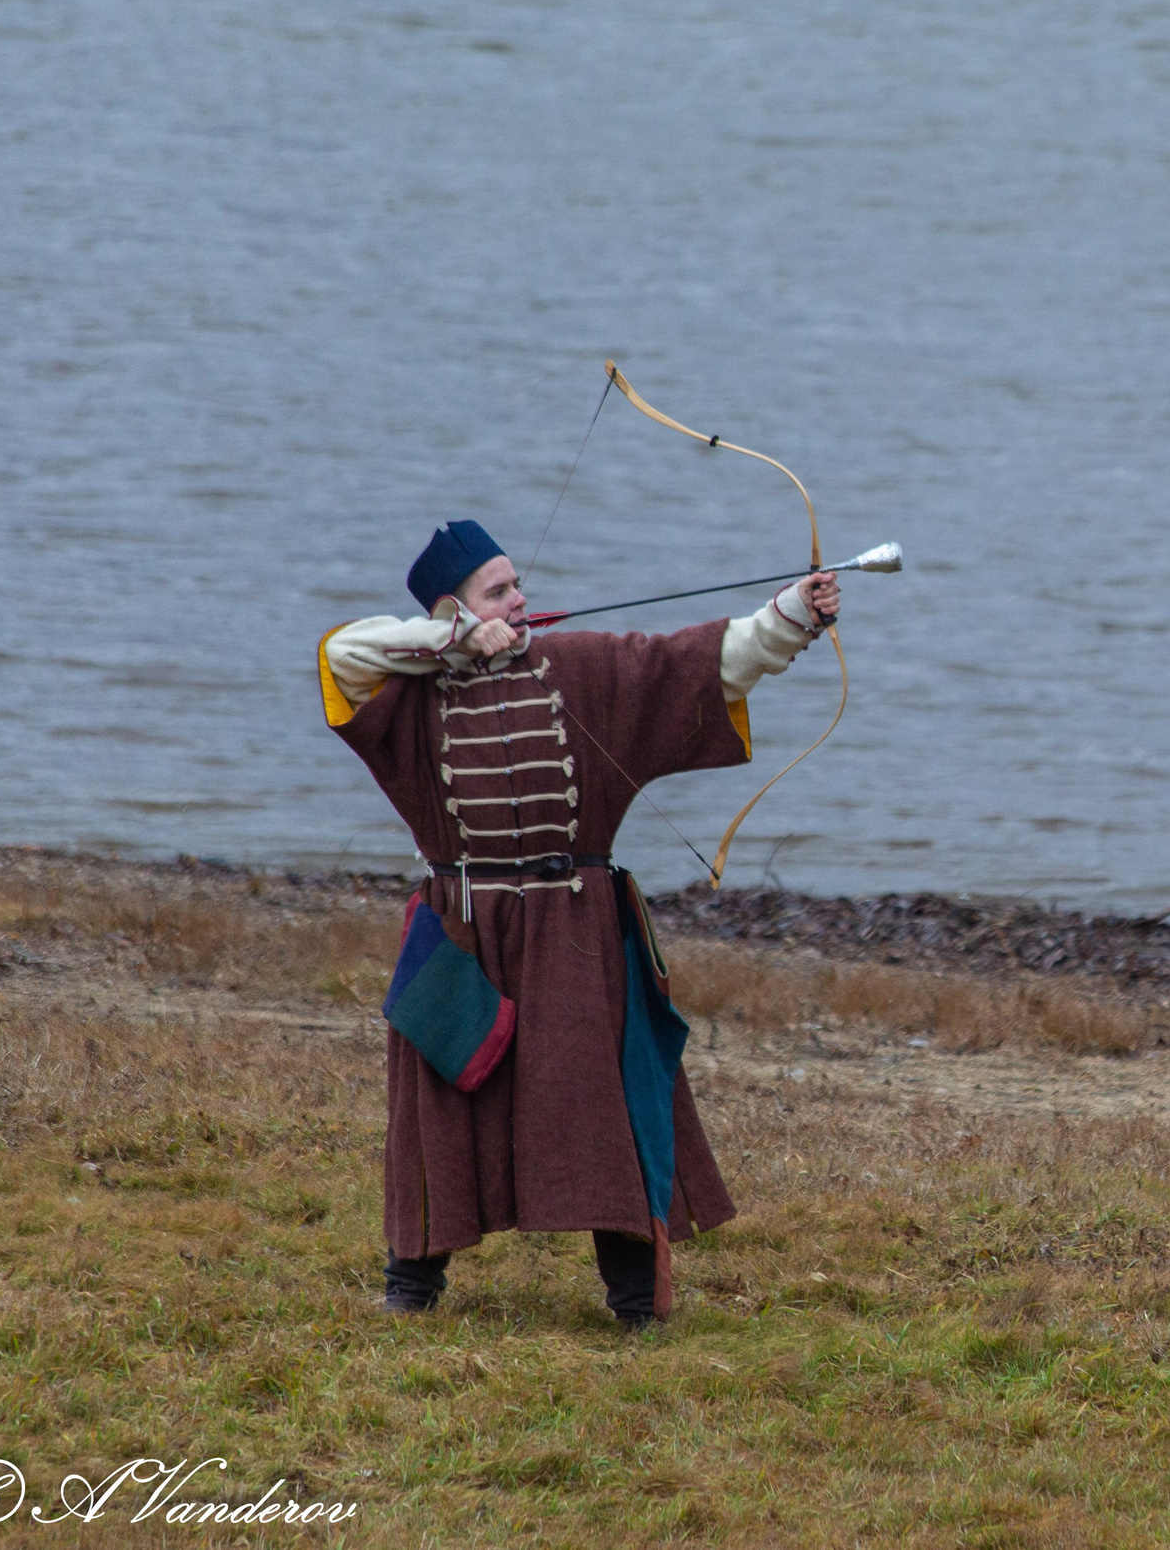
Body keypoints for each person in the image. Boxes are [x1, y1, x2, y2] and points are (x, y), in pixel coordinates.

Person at [316, 519, 841, 1330]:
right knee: (437, 1115)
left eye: (517, 584)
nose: (521, 599)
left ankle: (635, 1303)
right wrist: (454, 642)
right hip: (461, 935)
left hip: (573, 930)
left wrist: (790, 616)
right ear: (455, 609)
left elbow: (698, 662)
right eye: (500, 591)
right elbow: (344, 650)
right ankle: (410, 1288)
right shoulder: (407, 693)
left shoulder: (580, 670)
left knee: (605, 1103)